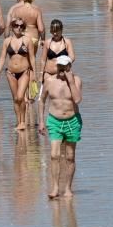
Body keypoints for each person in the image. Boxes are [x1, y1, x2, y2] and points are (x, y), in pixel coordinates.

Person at [38, 54, 83, 198]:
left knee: (70, 157)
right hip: (54, 121)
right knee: (54, 155)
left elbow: (77, 99)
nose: (62, 69)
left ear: (70, 67)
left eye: (65, 66)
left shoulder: (76, 80)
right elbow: (41, 101)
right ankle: (55, 188)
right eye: (60, 66)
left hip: (72, 121)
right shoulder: (49, 81)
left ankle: (68, 188)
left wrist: (70, 81)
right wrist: (41, 121)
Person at [0, 17, 36, 130]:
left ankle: (23, 121)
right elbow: (3, 57)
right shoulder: (7, 41)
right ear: (12, 27)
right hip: (10, 73)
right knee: (15, 99)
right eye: (16, 25)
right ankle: (18, 122)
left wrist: (35, 73)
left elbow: (32, 58)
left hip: (24, 72)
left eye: (21, 26)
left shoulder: (27, 40)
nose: (19, 28)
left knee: (20, 97)